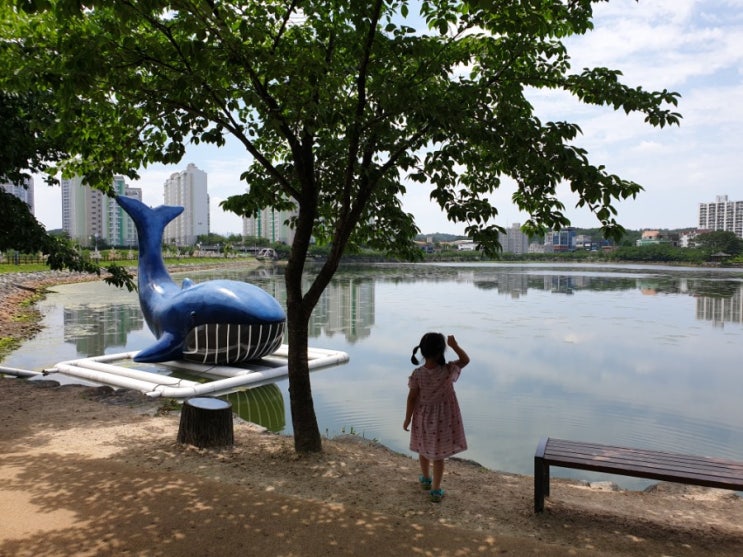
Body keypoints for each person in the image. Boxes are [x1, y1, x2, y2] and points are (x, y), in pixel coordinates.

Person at [403, 332, 470, 502]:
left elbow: (411, 398)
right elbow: (465, 360)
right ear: (441, 352)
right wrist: (455, 346)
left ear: (422, 352)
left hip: (423, 418)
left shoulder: (417, 374)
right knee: (438, 457)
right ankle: (435, 490)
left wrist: (407, 418)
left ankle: (426, 479)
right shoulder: (448, 370)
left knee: (423, 448)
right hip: (444, 421)